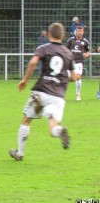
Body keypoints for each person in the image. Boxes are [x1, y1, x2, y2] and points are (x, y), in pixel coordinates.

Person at [9, 22, 78, 161]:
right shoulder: (68, 53)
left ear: (49, 34)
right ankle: (60, 131)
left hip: (41, 92)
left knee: (26, 119)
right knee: (53, 126)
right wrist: (62, 78)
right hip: (58, 96)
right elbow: (75, 77)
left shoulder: (44, 48)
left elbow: (33, 62)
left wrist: (25, 80)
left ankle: (20, 153)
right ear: (63, 36)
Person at [66, 26, 90, 101]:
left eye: (81, 31)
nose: (79, 32)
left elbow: (88, 51)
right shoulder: (70, 40)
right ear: (76, 31)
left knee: (78, 77)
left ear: (83, 32)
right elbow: (65, 50)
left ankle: (78, 94)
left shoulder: (85, 41)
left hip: (79, 62)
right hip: (70, 62)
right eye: (78, 31)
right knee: (68, 78)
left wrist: (87, 55)